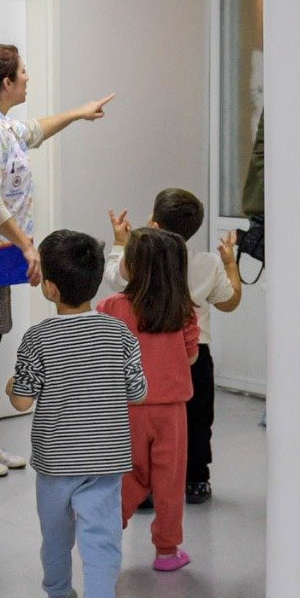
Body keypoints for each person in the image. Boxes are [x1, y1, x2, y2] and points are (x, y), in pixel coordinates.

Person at [0, 43, 114, 480]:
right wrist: (27, 246)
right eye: (23, 71)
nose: (28, 76)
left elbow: (32, 131)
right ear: (6, 82)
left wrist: (78, 113)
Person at [5, 229, 145, 598]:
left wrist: (12, 385)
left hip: (56, 461)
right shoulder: (118, 332)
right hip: (106, 459)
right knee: (102, 542)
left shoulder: (38, 337)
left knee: (56, 537)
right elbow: (137, 392)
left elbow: (22, 401)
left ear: (49, 287)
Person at [104, 188, 243, 503]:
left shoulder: (137, 260)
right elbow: (229, 302)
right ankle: (196, 480)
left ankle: (144, 485)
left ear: (154, 224)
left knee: (143, 420)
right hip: (195, 355)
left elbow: (114, 278)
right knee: (197, 420)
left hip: (147, 352)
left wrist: (120, 242)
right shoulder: (208, 263)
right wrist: (230, 264)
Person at [99, 227, 202, 571]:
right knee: (169, 481)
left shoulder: (111, 307)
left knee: (127, 476)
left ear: (131, 266)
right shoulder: (183, 310)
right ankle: (167, 551)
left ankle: (106, 535)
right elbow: (191, 357)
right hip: (170, 412)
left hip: (125, 409)